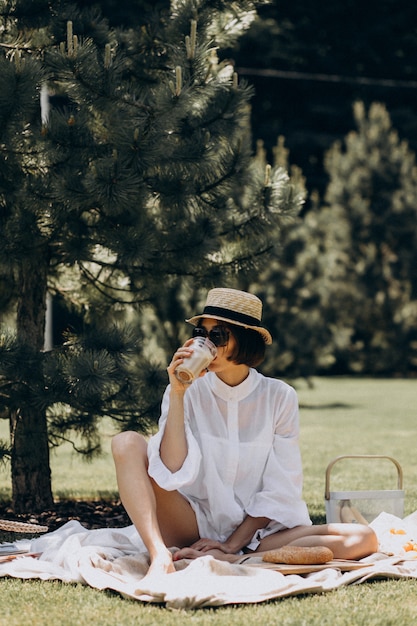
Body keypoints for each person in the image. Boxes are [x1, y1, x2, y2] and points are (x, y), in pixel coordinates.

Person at [111, 288, 377, 578]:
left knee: (363, 538)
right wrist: (177, 393)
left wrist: (231, 545)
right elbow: (171, 470)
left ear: (244, 339)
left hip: (255, 536)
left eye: (218, 336)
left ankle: (238, 559)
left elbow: (280, 484)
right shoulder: (186, 390)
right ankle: (160, 554)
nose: (206, 343)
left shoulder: (279, 397)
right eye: (202, 333)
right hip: (191, 524)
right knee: (125, 442)